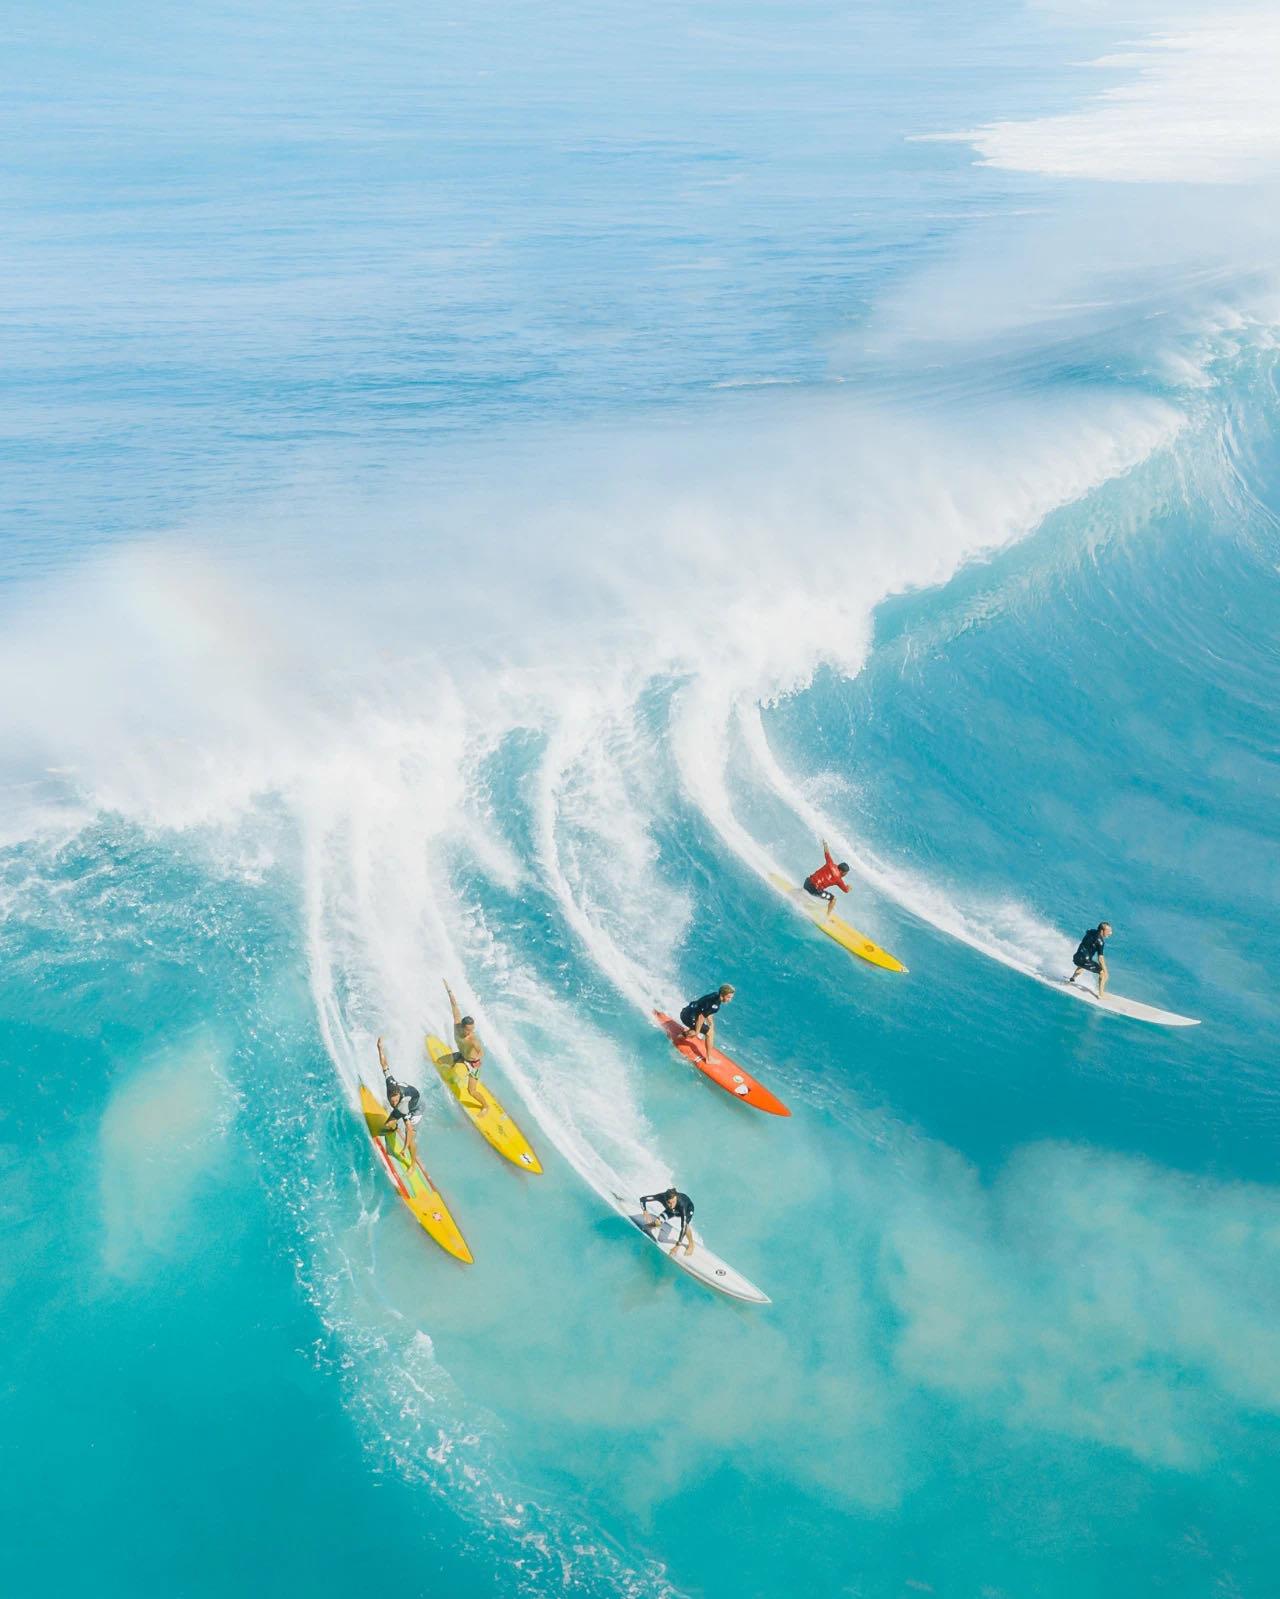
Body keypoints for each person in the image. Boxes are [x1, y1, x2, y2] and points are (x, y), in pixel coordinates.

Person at [377, 1037, 422, 1164]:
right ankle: (394, 1127)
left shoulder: (403, 1104)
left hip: (414, 1104)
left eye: (395, 1101)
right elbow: (384, 1065)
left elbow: (408, 1128)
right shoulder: (390, 1083)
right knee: (388, 1125)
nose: (393, 1103)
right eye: (392, 1101)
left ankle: (412, 1164)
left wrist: (404, 1147)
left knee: (411, 1136)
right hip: (407, 1094)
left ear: (398, 1096)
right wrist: (380, 1048)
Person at [444, 980, 485, 1112]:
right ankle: (451, 1072)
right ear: (462, 1026)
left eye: (472, 1029)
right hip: (462, 1056)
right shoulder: (457, 1025)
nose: (471, 1032)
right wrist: (449, 990)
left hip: (473, 1064)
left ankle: (485, 1106)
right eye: (468, 1029)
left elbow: (480, 1053)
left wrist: (474, 1061)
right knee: (441, 1061)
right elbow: (454, 1006)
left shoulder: (473, 1040)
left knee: (471, 1091)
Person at [678, 984, 735, 1057]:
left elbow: (707, 1011)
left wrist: (711, 1024)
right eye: (729, 997)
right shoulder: (715, 1005)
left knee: (706, 1028)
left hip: (685, 1013)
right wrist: (697, 1032)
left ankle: (683, 1035)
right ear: (722, 995)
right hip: (688, 1018)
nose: (730, 1000)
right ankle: (709, 1059)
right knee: (710, 1033)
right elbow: (701, 1017)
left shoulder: (715, 995)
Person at [639, 1186, 696, 1258]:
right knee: (658, 1221)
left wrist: (677, 1246)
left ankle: (691, 1244)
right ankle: (653, 1225)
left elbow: (683, 1227)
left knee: (686, 1226)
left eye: (673, 1202)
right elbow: (642, 1199)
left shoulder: (682, 1204)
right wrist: (644, 1210)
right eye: (669, 1202)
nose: (671, 1205)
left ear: (676, 1198)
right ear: (665, 1199)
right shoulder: (661, 1197)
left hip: (687, 1210)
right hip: (673, 1211)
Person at [803, 839, 851, 919]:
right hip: (815, 890)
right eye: (846, 873)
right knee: (833, 899)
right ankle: (827, 917)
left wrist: (825, 844)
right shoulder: (838, 879)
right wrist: (849, 887)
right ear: (843, 872)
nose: (845, 875)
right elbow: (846, 890)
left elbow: (827, 852)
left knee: (811, 883)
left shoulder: (830, 863)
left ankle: (797, 892)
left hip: (807, 883)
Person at [1069, 922, 1114, 997]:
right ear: (1102, 931)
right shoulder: (1100, 942)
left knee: (1081, 966)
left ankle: (1072, 978)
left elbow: (1088, 931)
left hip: (1076, 957)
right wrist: (1106, 971)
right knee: (1102, 973)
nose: (1110, 933)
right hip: (1085, 960)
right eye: (1108, 931)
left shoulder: (1091, 931)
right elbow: (1100, 958)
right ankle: (1101, 995)